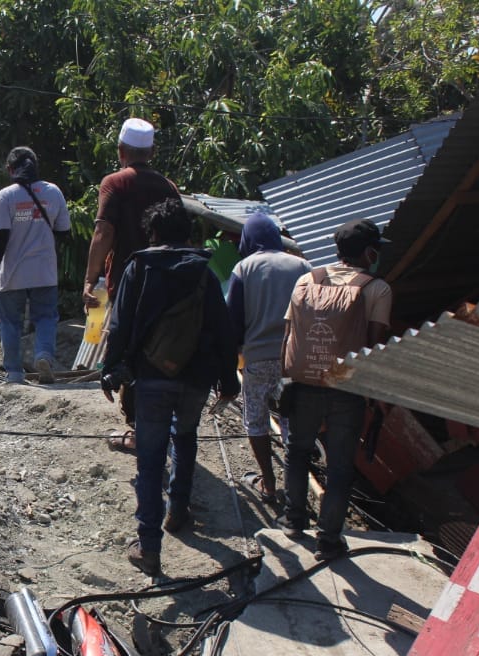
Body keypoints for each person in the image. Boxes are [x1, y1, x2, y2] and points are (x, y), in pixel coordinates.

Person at [99, 199, 240, 574]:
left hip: (152, 377)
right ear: (187, 234)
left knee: (149, 459)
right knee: (186, 436)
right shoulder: (204, 273)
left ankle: (149, 548)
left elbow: (120, 325)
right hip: (196, 378)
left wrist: (111, 369)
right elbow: (224, 330)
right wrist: (228, 381)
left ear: (154, 233)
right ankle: (178, 510)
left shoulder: (139, 268)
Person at [280, 218, 392, 559]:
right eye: (376, 250)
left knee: (297, 452)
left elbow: (290, 333)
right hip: (346, 387)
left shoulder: (307, 280)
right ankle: (328, 540)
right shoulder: (377, 289)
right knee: (341, 465)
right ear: (369, 251)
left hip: (303, 383)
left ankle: (293, 520)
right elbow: (376, 345)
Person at [225, 212, 311, 505]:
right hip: (294, 359)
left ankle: (269, 482)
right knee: (291, 421)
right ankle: (296, 487)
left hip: (258, 357)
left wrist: (234, 351)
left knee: (256, 420)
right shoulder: (302, 265)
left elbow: (233, 317)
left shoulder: (244, 268)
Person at [0, 146, 71, 384]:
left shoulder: (7, 196)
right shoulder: (53, 192)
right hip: (44, 272)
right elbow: (63, 232)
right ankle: (44, 355)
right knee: (45, 318)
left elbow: (0, 238)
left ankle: (14, 373)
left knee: (9, 322)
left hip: (12, 274)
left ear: (10, 169)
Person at [82, 119, 181, 307]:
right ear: (152, 152)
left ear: (120, 151)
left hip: (124, 283)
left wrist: (90, 281)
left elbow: (104, 232)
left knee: (119, 335)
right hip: (163, 283)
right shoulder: (169, 187)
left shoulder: (114, 183)